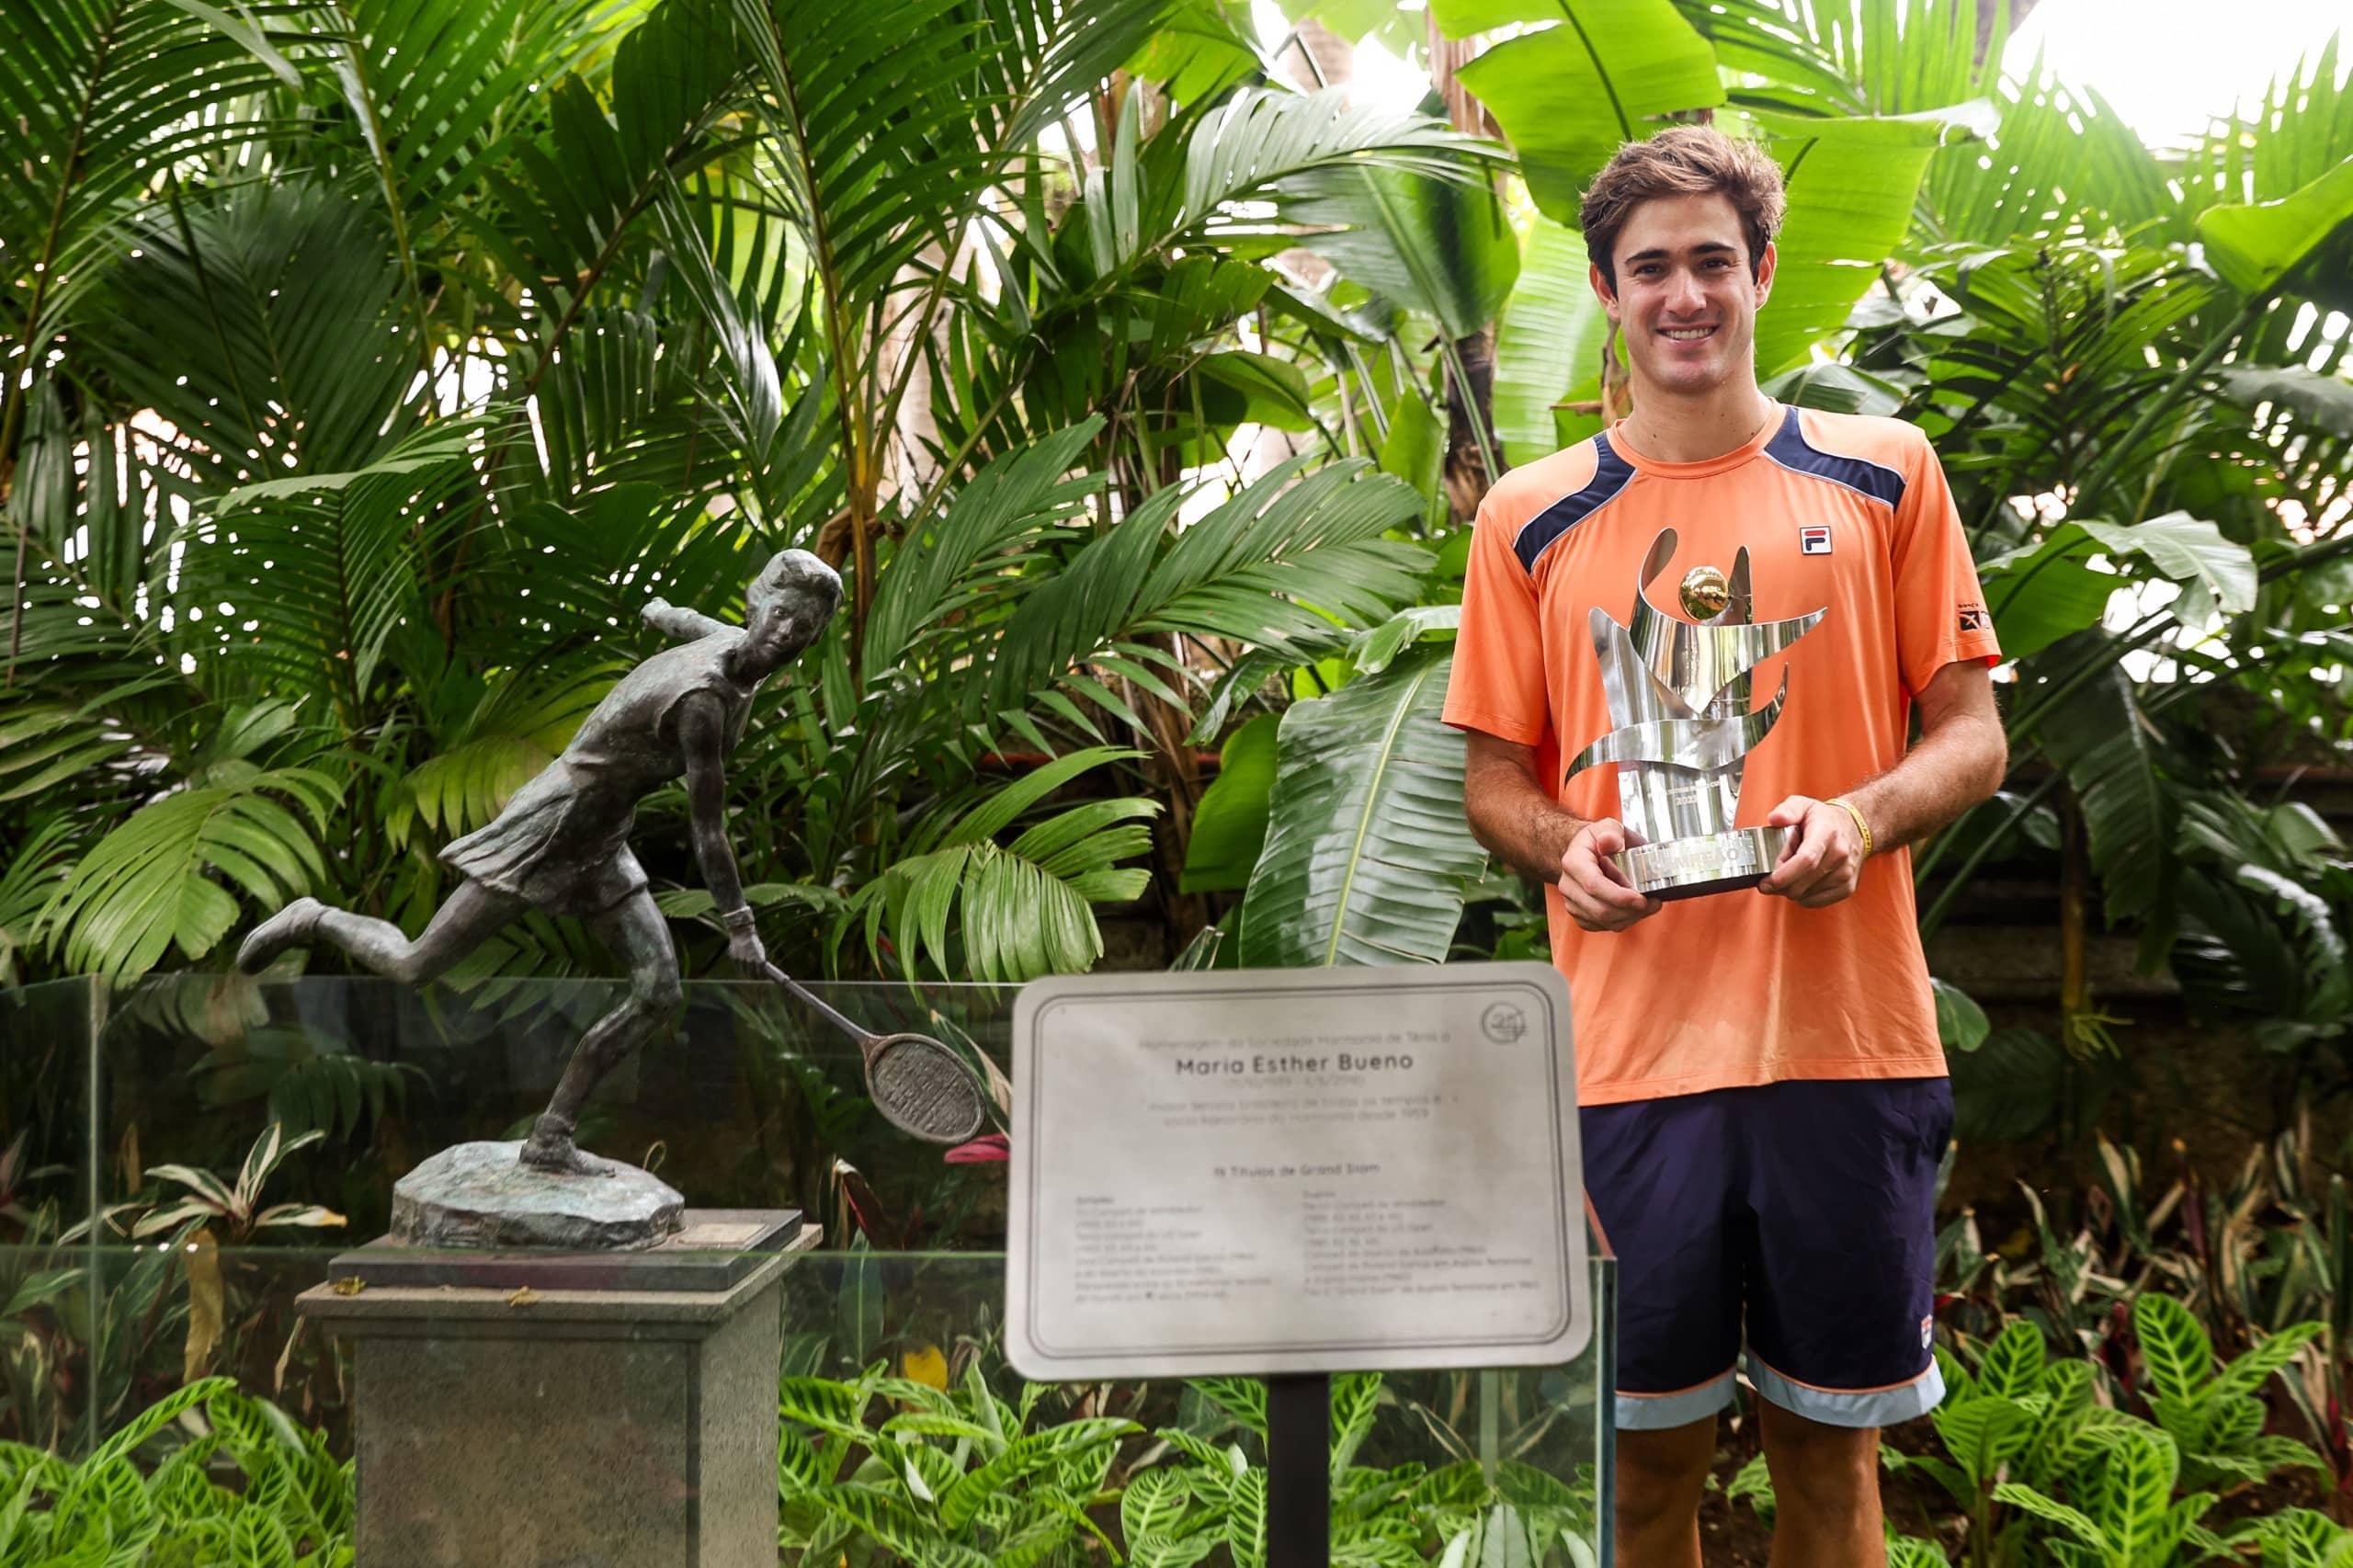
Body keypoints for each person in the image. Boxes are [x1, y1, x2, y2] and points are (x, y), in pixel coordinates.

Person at [1443, 127, 2007, 1567]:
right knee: (1643, 1480)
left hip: (1846, 1046)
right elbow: (1494, 778)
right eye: (1650, 269)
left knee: (1835, 1468)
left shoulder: (1884, 476)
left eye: (1711, 261)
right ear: (1606, 290)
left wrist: (1861, 812)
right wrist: (1565, 844)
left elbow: (1970, 734)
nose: (1682, 293)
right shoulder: (1531, 515)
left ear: (1760, 274)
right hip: (1628, 1068)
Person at [237, 549, 844, 1176]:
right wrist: (740, 925)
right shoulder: (704, 704)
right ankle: (313, 918)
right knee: (415, 963)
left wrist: (658, 611)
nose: (787, 636)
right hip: (551, 827)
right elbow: (708, 829)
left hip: (603, 838)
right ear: (757, 607)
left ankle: (551, 1136)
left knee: (659, 991)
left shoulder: (734, 648)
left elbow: (686, 618)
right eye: (781, 617)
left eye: (805, 630)